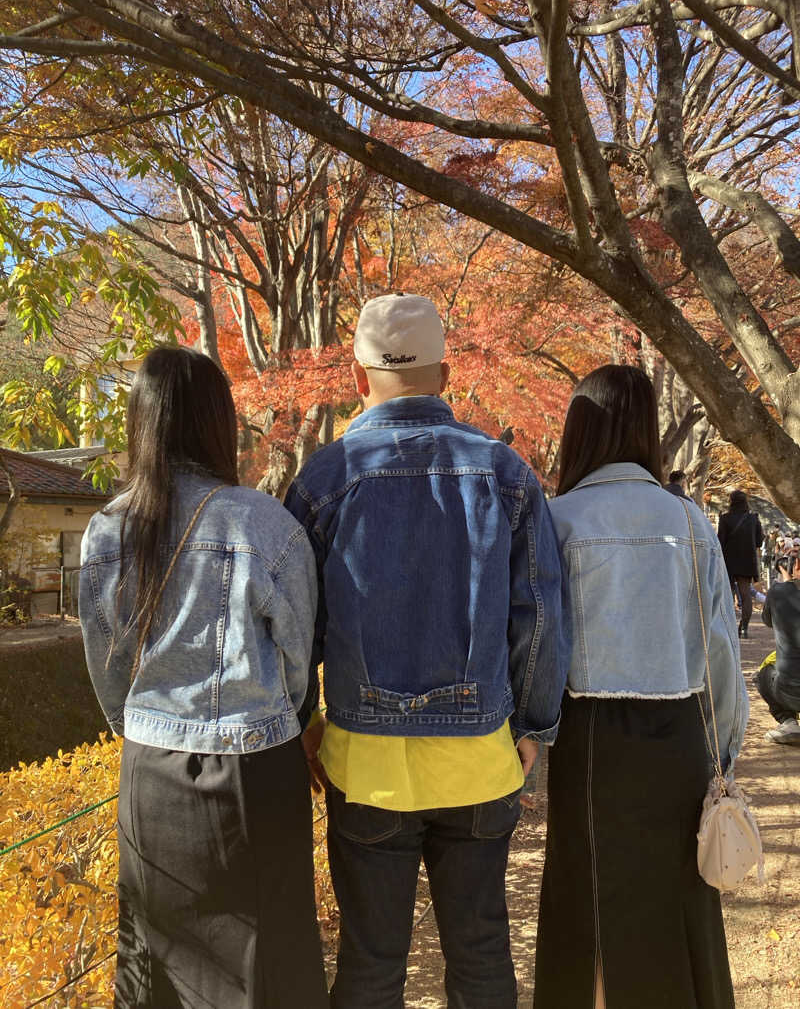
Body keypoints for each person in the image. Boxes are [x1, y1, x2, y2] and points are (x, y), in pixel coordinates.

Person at [285, 293, 570, 1009]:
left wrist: (303, 722)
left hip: (365, 764)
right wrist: (533, 728)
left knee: (371, 961)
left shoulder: (324, 477)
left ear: (358, 378)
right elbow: (535, 615)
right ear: (446, 374)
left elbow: (293, 626)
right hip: (478, 764)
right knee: (480, 953)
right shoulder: (505, 474)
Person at [79, 347, 328, 1009]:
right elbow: (298, 662)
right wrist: (295, 720)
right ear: (218, 422)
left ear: (142, 422)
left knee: (156, 966)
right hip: (256, 772)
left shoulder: (107, 533)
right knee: (270, 961)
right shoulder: (265, 524)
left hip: (151, 773)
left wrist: (141, 732)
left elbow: (108, 668)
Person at [534, 364, 747, 1009]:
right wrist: (723, 756)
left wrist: (531, 742)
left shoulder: (557, 519)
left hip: (589, 738)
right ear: (649, 430)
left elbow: (538, 646)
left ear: (579, 430)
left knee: (588, 904)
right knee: (678, 903)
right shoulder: (689, 522)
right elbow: (721, 654)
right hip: (679, 737)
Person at [757, 555, 800, 745]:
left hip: (790, 690)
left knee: (762, 674)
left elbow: (767, 620)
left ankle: (788, 721)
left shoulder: (777, 592)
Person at [717, 489, 763, 638]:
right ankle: (744, 628)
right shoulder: (753, 519)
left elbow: (720, 542)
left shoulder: (725, 518)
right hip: (747, 560)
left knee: (727, 595)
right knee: (745, 594)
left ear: (731, 502)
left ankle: (727, 627)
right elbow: (759, 541)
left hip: (729, 560)